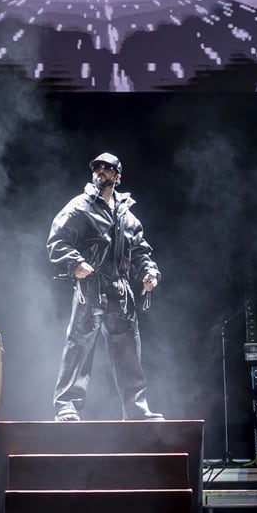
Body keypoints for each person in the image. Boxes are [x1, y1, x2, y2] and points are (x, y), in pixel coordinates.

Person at [47, 151, 165, 422]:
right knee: (78, 347)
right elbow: (57, 241)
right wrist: (74, 262)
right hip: (90, 288)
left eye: (107, 169)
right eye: (97, 168)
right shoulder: (79, 207)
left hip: (120, 293)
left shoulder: (127, 216)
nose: (101, 171)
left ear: (117, 176)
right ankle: (66, 406)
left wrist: (149, 273)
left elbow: (140, 252)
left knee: (128, 354)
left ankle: (136, 410)